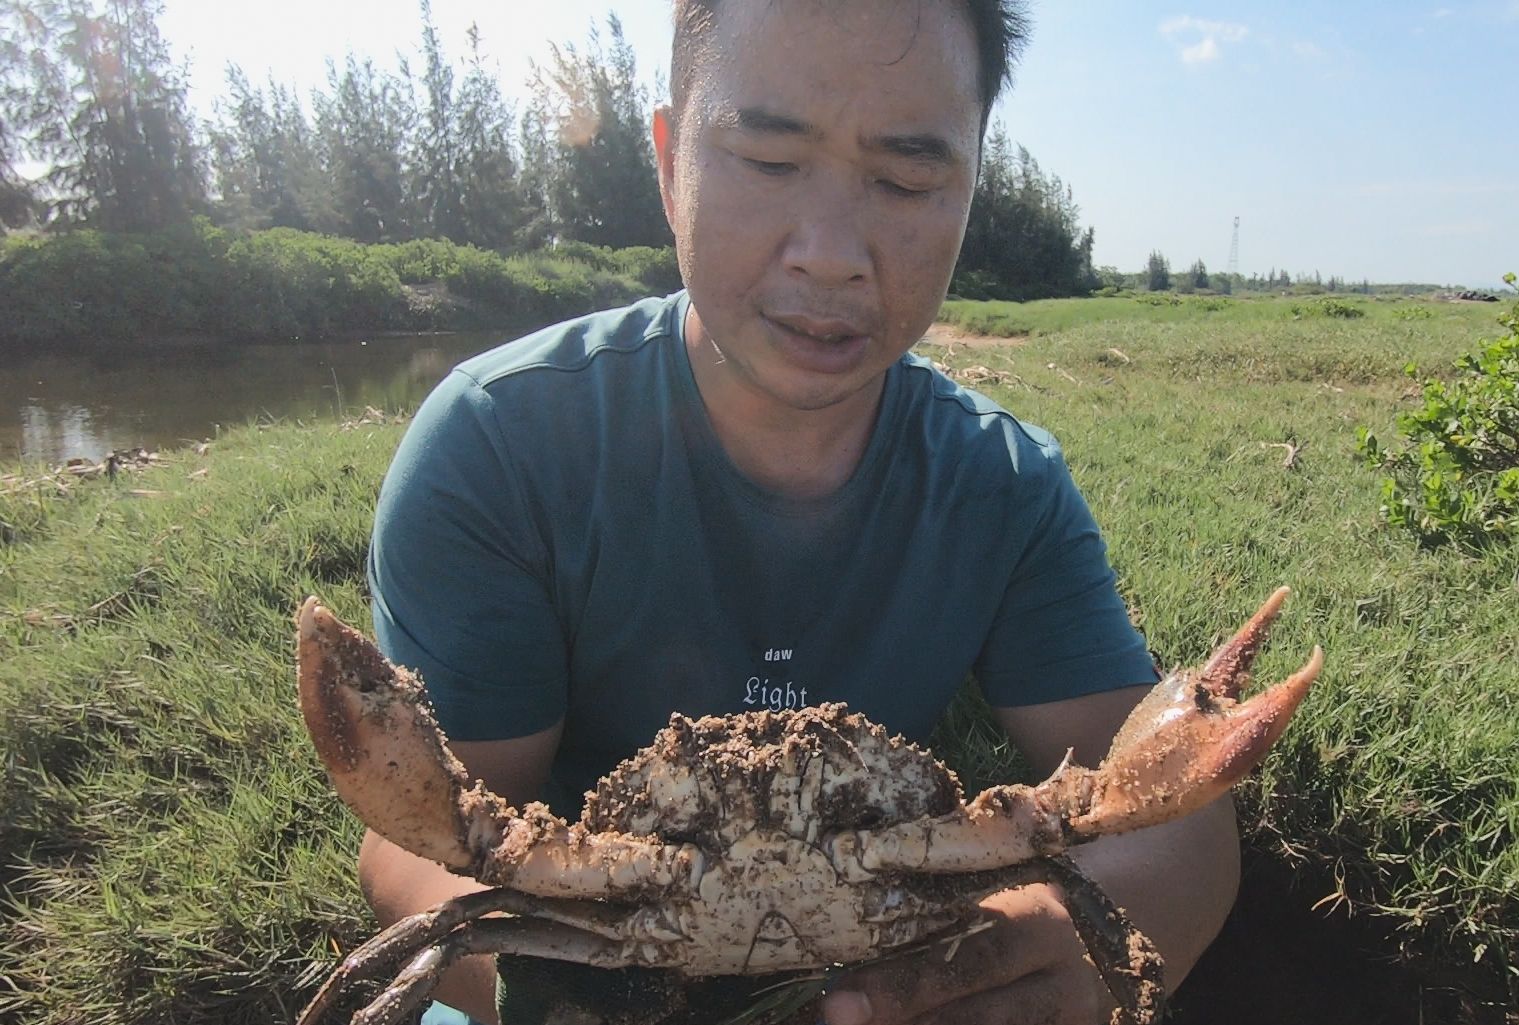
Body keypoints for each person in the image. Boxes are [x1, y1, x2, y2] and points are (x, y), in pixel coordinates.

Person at [359, 1, 1242, 1023]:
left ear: (966, 190)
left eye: (906, 177)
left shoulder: (999, 485)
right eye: (768, 160)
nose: (829, 252)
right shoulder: (499, 447)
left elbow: (1160, 805)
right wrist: (569, 998)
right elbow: (420, 834)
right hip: (583, 943)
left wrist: (1053, 963)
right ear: (668, 162)